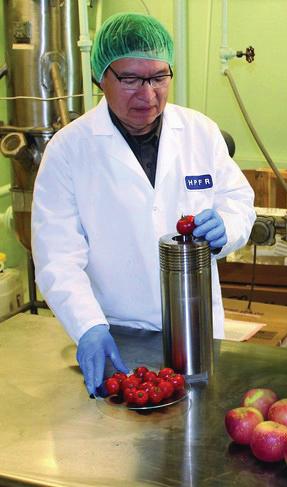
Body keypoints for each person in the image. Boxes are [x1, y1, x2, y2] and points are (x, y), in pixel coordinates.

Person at [31, 13, 255, 397]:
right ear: (101, 77)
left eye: (158, 77)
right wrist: (88, 326)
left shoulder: (199, 132)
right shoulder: (69, 150)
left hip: (198, 331)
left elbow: (238, 201)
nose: (148, 94)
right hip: (117, 335)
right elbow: (57, 255)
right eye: (131, 79)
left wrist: (227, 226)